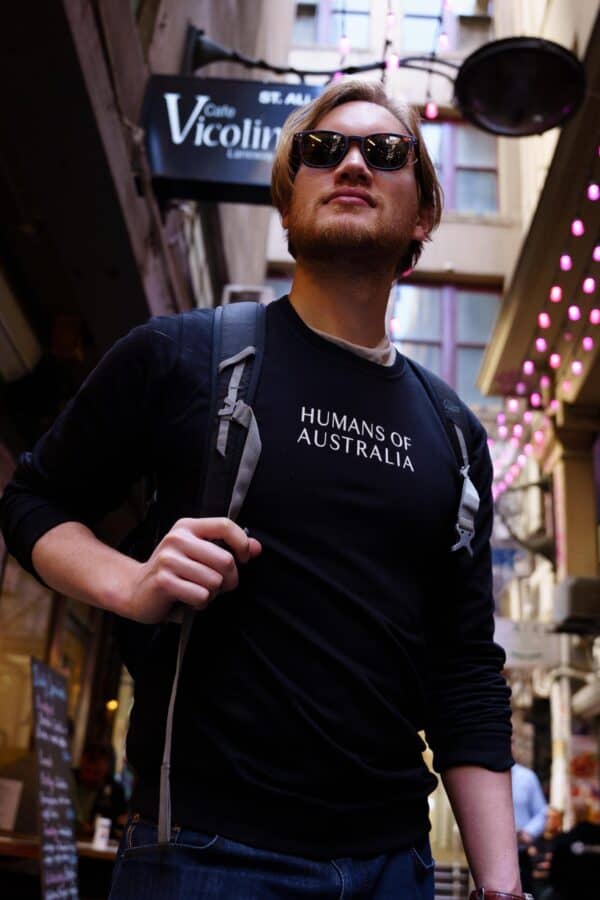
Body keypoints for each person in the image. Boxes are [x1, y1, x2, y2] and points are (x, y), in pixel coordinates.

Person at [0, 80, 524, 899]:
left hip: (396, 864)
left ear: (421, 216)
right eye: (323, 149)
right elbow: (32, 500)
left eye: (385, 153)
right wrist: (130, 584)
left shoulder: (455, 432)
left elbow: (462, 669)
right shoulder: (183, 355)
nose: (351, 161)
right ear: (288, 198)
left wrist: (502, 885)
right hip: (207, 856)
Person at [73, 742, 128, 841]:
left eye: (97, 773)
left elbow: (121, 823)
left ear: (106, 769)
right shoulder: (68, 780)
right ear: (81, 762)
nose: (90, 777)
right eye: (87, 770)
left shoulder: (115, 790)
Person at [549, 799, 600, 900]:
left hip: (570, 893)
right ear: (589, 813)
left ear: (573, 814)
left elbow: (555, 875)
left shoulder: (563, 840)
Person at [511, 760, 548, 893]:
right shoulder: (485, 776)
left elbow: (542, 812)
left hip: (520, 854)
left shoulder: (526, 777)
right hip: (489, 854)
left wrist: (527, 832)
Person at [528, 807, 563, 900]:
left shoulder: (562, 840)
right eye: (548, 818)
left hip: (557, 885)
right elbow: (532, 861)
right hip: (537, 884)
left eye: (554, 818)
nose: (551, 821)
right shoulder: (535, 840)